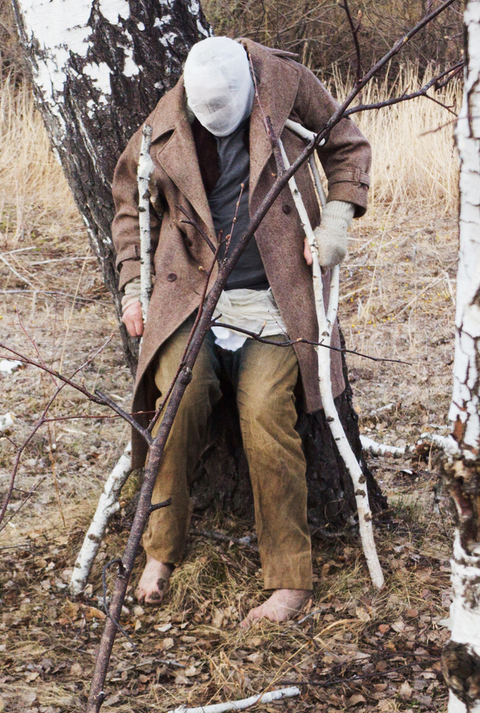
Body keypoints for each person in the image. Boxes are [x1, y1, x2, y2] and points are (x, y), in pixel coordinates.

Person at [110, 36, 371, 627]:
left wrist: (336, 220)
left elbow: (348, 143)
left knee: (265, 414)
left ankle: (289, 579)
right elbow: (130, 204)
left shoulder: (286, 81)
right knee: (177, 401)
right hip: (194, 299)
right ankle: (159, 550)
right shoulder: (166, 120)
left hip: (277, 301)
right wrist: (132, 286)